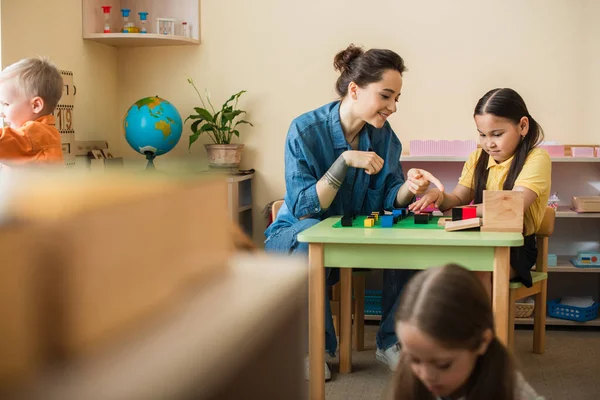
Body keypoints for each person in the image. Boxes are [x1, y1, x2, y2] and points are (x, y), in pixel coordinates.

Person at [264, 44, 443, 379]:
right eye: (386, 96)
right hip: (296, 236)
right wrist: (344, 161)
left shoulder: (385, 138)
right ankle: (311, 348)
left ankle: (390, 342)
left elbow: (390, 195)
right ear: (355, 89)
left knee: (414, 239)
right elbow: (304, 206)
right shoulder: (304, 130)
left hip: (354, 232)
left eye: (396, 99)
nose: (392, 107)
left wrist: (411, 187)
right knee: (306, 242)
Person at [411, 88, 551, 287]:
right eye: (482, 135)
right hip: (477, 240)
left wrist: (461, 212)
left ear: (522, 126)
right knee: (436, 270)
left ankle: (481, 319)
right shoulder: (477, 158)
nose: (489, 144)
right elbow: (457, 198)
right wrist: (439, 197)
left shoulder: (537, 158)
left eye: (497, 134)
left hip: (515, 248)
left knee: (478, 274)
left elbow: (513, 207)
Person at [390, 264, 544, 400]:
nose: (426, 375)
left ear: (482, 342)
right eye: (414, 360)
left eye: (443, 364)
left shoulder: (510, 389)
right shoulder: (410, 382)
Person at [0, 57, 64, 164]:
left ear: (36, 105)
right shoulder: (46, 135)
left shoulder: (35, 135)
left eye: (6, 104)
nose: (1, 113)